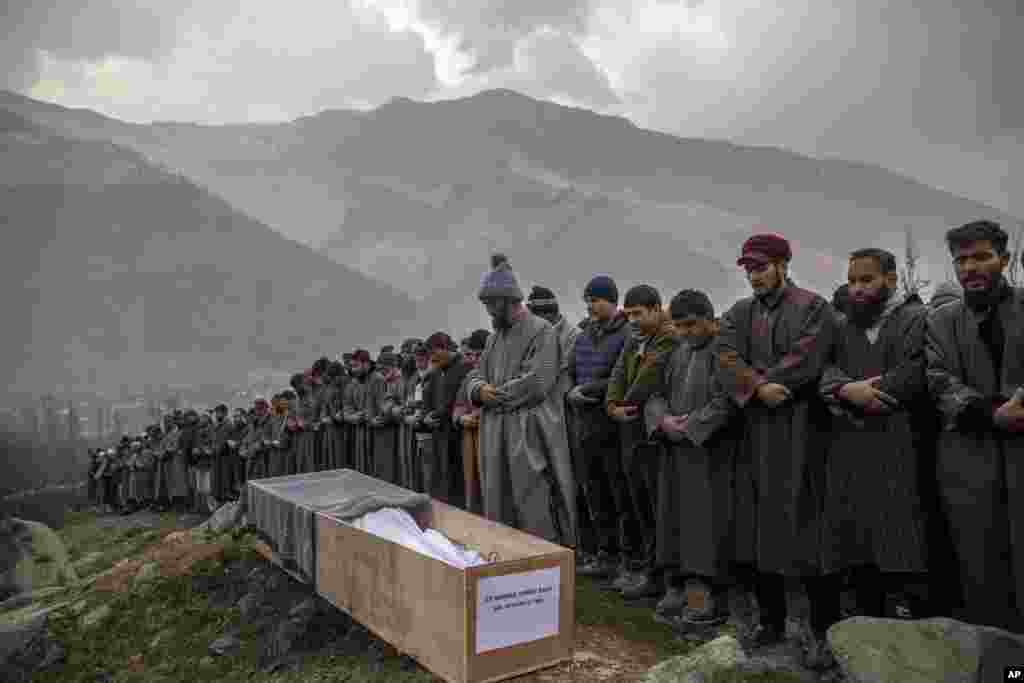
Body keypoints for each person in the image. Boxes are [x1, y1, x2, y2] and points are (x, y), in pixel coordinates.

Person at [714, 232, 837, 667]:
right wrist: (757, 387)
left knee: (807, 525)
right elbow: (724, 355)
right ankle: (770, 620)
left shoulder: (813, 307)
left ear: (784, 264)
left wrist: (767, 383)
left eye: (761, 267)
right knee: (757, 527)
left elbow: (811, 354)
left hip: (804, 431)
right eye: (748, 269)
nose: (754, 276)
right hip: (754, 431)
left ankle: (819, 629)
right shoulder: (739, 312)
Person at [818, 248, 930, 623]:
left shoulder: (917, 318)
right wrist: (847, 391)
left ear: (891, 280)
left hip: (902, 446)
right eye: (852, 282)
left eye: (867, 280)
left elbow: (914, 372)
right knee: (858, 541)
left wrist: (870, 390)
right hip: (852, 448)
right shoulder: (844, 325)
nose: (858, 289)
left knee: (902, 537)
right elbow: (825, 371)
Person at [925, 220, 1024, 632]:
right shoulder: (942, 320)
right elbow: (937, 379)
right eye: (961, 260)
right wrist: (992, 414)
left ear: (1004, 259)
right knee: (980, 563)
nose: (970, 267)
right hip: (970, 458)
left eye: (981, 256)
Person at [464, 254, 575, 546]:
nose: (488, 311)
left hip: (528, 431)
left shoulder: (542, 331)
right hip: (495, 431)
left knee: (532, 499)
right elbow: (475, 374)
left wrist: (493, 396)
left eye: (491, 305)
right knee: (498, 501)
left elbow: (536, 383)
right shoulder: (493, 338)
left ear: (507, 300)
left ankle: (542, 563)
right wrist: (478, 391)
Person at [646, 289, 737, 629]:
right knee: (673, 516)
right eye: (679, 326)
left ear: (710, 322)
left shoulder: (724, 353)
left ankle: (706, 589)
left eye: (691, 325)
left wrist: (693, 426)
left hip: (708, 453)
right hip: (674, 450)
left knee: (704, 521)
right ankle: (677, 582)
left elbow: (727, 399)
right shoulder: (676, 354)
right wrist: (663, 421)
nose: (685, 333)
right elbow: (654, 394)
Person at [605, 284, 679, 600]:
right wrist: (611, 405)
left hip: (652, 432)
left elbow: (648, 377)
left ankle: (667, 578)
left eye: (638, 314)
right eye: (630, 314)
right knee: (639, 504)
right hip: (630, 428)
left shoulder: (668, 337)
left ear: (656, 309)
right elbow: (619, 373)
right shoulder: (635, 339)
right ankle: (651, 573)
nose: (633, 320)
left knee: (658, 506)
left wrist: (624, 405)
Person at [569, 275, 632, 580]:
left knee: (618, 494)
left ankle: (626, 560)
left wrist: (590, 390)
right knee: (594, 493)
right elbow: (570, 372)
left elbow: (624, 378)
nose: (591, 306)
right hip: (585, 425)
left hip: (613, 425)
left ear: (612, 300)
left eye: (596, 300)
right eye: (588, 301)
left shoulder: (627, 334)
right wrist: (572, 390)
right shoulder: (582, 337)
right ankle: (603, 555)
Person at [421, 332, 471, 506]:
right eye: (430, 355)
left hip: (458, 437)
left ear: (446, 348)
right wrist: (426, 417)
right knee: (441, 486)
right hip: (439, 437)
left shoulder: (465, 368)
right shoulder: (436, 373)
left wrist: (438, 415)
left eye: (434, 353)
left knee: (458, 486)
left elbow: (460, 403)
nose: (432, 358)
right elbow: (428, 403)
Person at [454, 329, 490, 514]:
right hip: (470, 439)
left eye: (479, 355)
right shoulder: (469, 377)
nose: (475, 359)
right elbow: (459, 404)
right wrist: (461, 418)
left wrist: (479, 415)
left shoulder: (499, 374)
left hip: (492, 438)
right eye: (472, 355)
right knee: (473, 486)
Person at [368, 351, 403, 483]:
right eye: (380, 369)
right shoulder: (387, 382)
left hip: (396, 431)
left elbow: (401, 407)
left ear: (393, 366)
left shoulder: (400, 381)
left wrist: (386, 415)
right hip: (384, 428)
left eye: (385, 369)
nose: (382, 372)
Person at [343, 350, 374, 474]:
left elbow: (382, 406)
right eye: (352, 366)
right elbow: (347, 406)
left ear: (366, 364)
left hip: (375, 433)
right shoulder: (353, 384)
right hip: (359, 431)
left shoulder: (377, 380)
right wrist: (352, 417)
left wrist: (367, 415)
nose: (353, 369)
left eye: (356, 366)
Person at [319, 361, 349, 471]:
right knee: (332, 462)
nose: (333, 381)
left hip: (344, 430)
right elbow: (325, 405)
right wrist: (324, 417)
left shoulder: (348, 385)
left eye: (334, 378)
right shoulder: (329, 387)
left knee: (342, 461)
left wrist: (338, 415)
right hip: (331, 428)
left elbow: (348, 405)